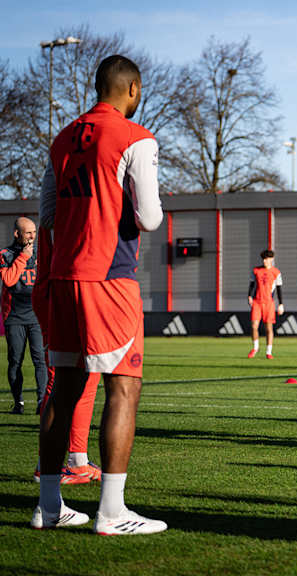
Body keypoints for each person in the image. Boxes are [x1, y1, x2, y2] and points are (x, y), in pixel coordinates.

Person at [35, 54, 166, 533]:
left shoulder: (63, 137)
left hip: (64, 276)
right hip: (110, 276)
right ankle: (111, 512)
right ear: (132, 88)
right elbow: (150, 218)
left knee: (63, 390)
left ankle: (50, 507)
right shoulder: (136, 137)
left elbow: (47, 213)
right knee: (123, 388)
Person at [32, 224, 102, 485]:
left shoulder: (63, 201)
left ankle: (75, 461)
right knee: (65, 380)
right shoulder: (69, 206)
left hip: (65, 293)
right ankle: (53, 464)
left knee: (81, 378)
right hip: (66, 293)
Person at [1, 217, 46, 414]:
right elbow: (9, 280)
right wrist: (23, 258)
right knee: (15, 361)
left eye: (34, 232)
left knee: (40, 360)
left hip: (37, 315)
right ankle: (18, 402)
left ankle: (41, 403)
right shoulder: (5, 254)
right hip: (14, 317)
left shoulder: (42, 253)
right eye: (28, 232)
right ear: (17, 234)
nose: (32, 236)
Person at [248, 249, 283, 359]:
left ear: (271, 259)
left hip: (269, 303)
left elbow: (279, 289)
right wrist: (249, 296)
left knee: (269, 328)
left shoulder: (276, 272)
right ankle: (255, 347)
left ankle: (269, 351)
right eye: (263, 259)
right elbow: (252, 285)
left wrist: (281, 304)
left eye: (266, 259)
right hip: (257, 302)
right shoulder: (256, 271)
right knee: (254, 326)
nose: (264, 261)